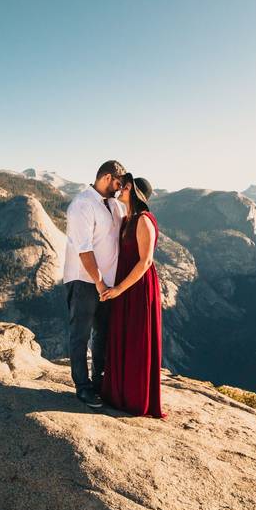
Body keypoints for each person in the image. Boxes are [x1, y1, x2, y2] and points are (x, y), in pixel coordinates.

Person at [99, 174, 165, 418]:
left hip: (137, 288)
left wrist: (118, 289)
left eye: (126, 187)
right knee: (123, 335)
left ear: (136, 192)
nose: (121, 189)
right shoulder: (128, 219)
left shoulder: (143, 220)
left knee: (137, 338)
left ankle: (136, 400)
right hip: (126, 287)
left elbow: (145, 261)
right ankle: (119, 395)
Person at [63, 160, 127, 408]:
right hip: (83, 280)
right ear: (107, 177)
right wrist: (99, 282)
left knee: (103, 334)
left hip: (109, 283)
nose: (120, 189)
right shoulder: (82, 205)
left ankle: (100, 383)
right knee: (80, 334)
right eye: (118, 183)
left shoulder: (113, 205)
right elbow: (84, 249)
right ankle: (82, 387)